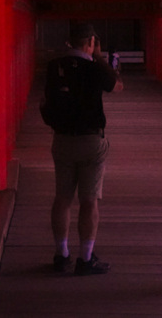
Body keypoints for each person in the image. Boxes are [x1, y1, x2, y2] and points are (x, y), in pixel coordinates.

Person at [45, 22, 122, 275]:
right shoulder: (93, 67)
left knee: (62, 198)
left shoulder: (54, 66)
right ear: (90, 42)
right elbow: (116, 85)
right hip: (91, 141)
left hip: (62, 139)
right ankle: (86, 258)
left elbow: (46, 102)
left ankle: (61, 254)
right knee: (89, 201)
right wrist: (98, 56)